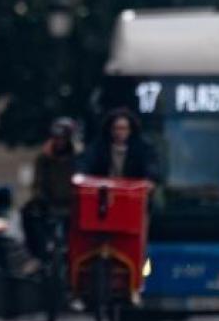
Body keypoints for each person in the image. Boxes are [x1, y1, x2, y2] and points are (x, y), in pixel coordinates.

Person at [22, 118, 81, 263]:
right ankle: (37, 254)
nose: (60, 141)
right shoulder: (44, 158)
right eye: (57, 138)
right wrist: (40, 198)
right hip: (49, 203)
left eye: (63, 138)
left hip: (73, 204)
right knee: (28, 213)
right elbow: (38, 182)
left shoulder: (79, 158)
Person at [83, 108, 160, 182]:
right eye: (115, 128)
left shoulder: (143, 148)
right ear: (110, 129)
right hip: (105, 189)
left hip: (132, 191)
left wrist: (150, 180)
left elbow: (151, 167)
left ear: (130, 130)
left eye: (123, 128)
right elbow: (85, 163)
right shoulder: (99, 147)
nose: (119, 132)